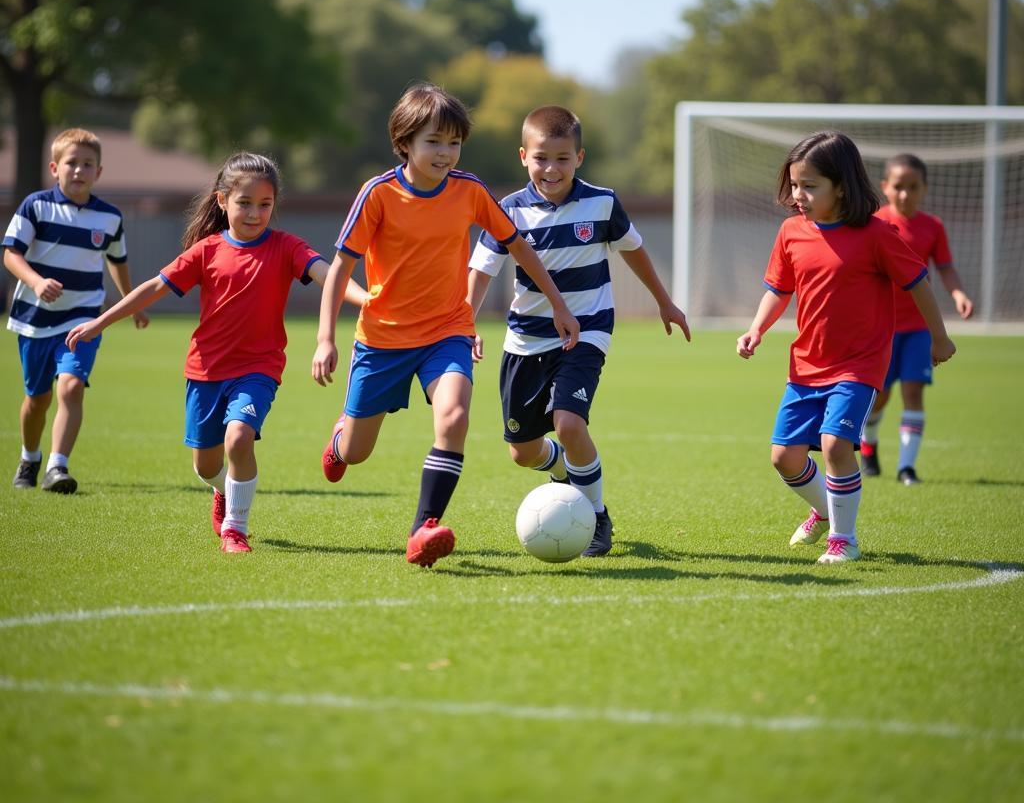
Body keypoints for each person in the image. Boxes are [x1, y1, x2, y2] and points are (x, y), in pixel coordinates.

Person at [312, 83, 580, 569]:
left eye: (454, 143)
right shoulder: (378, 194)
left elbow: (518, 246)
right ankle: (340, 438)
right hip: (382, 341)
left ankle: (424, 528)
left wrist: (559, 304)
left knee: (454, 418)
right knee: (356, 452)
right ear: (405, 141)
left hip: (446, 332)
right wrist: (325, 338)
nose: (445, 153)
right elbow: (339, 271)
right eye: (434, 141)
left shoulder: (470, 190)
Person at [66, 152, 365, 554]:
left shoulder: (286, 247)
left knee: (239, 438)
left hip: (258, 369)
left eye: (265, 204)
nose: (255, 213)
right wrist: (101, 322)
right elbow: (154, 287)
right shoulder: (206, 251)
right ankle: (223, 490)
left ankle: (235, 530)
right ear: (223, 201)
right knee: (206, 466)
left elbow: (330, 275)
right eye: (245, 203)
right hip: (205, 370)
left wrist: (368, 301)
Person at [467, 105, 690, 557]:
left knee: (569, 424)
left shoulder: (602, 202)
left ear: (580, 157)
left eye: (563, 158)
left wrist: (663, 301)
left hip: (587, 331)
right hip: (525, 341)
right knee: (523, 451)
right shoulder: (506, 211)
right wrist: (464, 325)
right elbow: (481, 271)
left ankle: (596, 515)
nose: (552, 168)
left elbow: (635, 250)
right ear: (523, 156)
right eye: (542, 157)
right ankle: (565, 472)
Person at [737, 132, 956, 564]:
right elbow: (778, 289)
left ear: (842, 185)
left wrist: (940, 336)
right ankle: (823, 509)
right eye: (795, 185)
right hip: (806, 364)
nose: (799, 195)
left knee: (836, 444)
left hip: (859, 364)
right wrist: (756, 329)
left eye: (810, 185)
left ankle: (844, 538)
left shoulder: (877, 233)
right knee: (784, 457)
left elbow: (919, 283)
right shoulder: (791, 232)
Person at [4, 127, 149, 494]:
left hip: (83, 318)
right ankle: (30, 456)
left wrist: (132, 303)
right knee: (38, 399)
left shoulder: (110, 218)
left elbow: (117, 261)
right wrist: (36, 282)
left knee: (71, 387)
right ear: (55, 167)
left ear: (99, 172)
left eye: (88, 164)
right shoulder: (35, 206)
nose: (79, 170)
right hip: (35, 321)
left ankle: (57, 466)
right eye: (72, 163)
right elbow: (10, 254)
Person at [859, 153, 973, 484]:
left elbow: (946, 267)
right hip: (881, 328)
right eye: (898, 187)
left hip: (919, 329)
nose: (905, 194)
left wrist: (959, 294)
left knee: (913, 391)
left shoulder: (932, 226)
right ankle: (869, 444)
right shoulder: (874, 223)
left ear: (925, 189)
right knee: (879, 396)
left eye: (913, 187)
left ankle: (906, 467)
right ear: (885, 188)